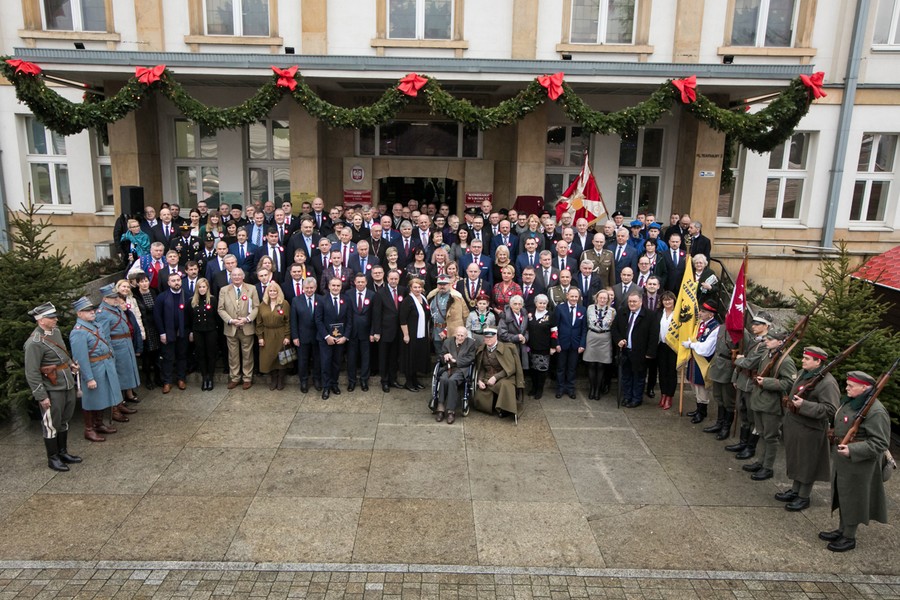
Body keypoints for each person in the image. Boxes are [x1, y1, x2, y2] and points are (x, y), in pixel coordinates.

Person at [819, 370, 890, 552]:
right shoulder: (853, 402)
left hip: (859, 464)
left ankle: (849, 537)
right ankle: (842, 529)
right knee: (843, 495)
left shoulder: (875, 411)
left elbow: (880, 443)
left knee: (854, 498)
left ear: (864, 387)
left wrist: (852, 449)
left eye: (851, 385)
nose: (846, 387)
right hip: (844, 461)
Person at [776, 346, 840, 512]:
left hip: (810, 429)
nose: (802, 360)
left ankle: (804, 496)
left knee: (807, 463)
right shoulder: (805, 373)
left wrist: (805, 405)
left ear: (818, 361)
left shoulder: (827, 383)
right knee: (797, 459)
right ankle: (795, 490)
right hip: (796, 425)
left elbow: (831, 409)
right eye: (803, 357)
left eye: (807, 359)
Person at [24, 302, 80, 471]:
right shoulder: (34, 343)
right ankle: (53, 458)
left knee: (64, 419)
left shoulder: (55, 332)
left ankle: (63, 452)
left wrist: (70, 364)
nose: (55, 319)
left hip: (67, 383)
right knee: (51, 423)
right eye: (51, 317)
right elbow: (32, 372)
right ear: (41, 320)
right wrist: (41, 396)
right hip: (52, 388)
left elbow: (62, 353)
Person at [740, 328, 797, 481]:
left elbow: (790, 383)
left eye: (770, 339)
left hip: (772, 404)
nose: (766, 340)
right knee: (762, 433)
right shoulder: (768, 354)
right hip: (760, 400)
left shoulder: (785, 360)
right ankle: (761, 461)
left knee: (771, 436)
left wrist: (766, 382)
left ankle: (768, 467)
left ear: (780, 342)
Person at [69, 296, 120, 442]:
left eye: (92, 309)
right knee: (90, 400)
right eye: (87, 311)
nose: (92, 312)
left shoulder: (94, 325)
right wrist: (89, 378)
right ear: (79, 314)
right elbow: (80, 358)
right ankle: (89, 429)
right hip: (93, 368)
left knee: (101, 397)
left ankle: (99, 423)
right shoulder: (78, 331)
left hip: (104, 365)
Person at [728, 311, 773, 459]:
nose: (753, 326)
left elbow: (749, 362)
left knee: (752, 417)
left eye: (757, 324)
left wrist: (738, 359)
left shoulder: (765, 344)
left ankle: (750, 447)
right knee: (743, 413)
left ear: (766, 326)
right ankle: (743, 442)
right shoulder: (754, 339)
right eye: (753, 323)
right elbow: (744, 360)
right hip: (742, 380)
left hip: (751, 383)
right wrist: (735, 377)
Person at [95, 283, 141, 421]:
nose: (116, 299)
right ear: (104, 299)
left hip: (125, 345)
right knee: (115, 379)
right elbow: (104, 336)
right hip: (116, 347)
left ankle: (120, 403)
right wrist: (110, 353)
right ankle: (114, 409)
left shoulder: (115, 309)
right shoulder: (103, 313)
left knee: (124, 376)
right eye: (112, 297)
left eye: (116, 296)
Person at [612, 291, 657, 408]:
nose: (632, 304)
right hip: (625, 351)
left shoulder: (650, 315)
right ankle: (627, 396)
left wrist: (650, 353)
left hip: (641, 353)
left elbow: (653, 335)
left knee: (638, 377)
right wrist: (619, 340)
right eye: (630, 301)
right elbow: (614, 329)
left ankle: (636, 398)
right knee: (626, 376)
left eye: (634, 301)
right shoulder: (622, 312)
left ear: (641, 302)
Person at [218, 267, 259, 389]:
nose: (236, 277)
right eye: (234, 275)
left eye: (239, 275)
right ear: (231, 276)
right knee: (233, 354)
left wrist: (247, 319)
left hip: (246, 327)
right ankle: (235, 377)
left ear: (243, 276)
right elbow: (220, 309)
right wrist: (231, 320)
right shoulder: (224, 290)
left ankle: (247, 378)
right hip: (231, 328)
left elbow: (256, 307)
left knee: (247, 354)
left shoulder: (251, 289)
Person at [682, 300, 720, 424]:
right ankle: (698, 408)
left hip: (704, 362)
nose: (700, 313)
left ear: (711, 314)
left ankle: (702, 412)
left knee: (701, 388)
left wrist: (691, 345)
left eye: (703, 311)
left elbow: (706, 349)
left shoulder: (715, 328)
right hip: (695, 360)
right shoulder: (700, 324)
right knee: (694, 385)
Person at [473, 327, 524, 419]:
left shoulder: (506, 348)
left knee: (505, 385)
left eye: (490, 337)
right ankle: (496, 404)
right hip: (487, 377)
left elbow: (511, 368)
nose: (488, 339)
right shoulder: (481, 349)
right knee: (481, 401)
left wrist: (496, 377)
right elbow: (481, 368)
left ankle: (505, 408)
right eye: (486, 337)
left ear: (496, 336)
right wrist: (479, 380)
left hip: (505, 377)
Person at [153, 272, 189, 393]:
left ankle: (181, 379)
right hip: (167, 333)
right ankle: (167, 381)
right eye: (173, 281)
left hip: (183, 332)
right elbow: (157, 316)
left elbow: (191, 315)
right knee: (168, 357)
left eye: (178, 280)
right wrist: (162, 333)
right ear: (168, 283)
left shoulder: (187, 296)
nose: (176, 282)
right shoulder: (162, 297)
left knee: (182, 356)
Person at [373, 270, 406, 392]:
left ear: (398, 279)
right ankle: (385, 381)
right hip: (385, 331)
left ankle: (393, 379)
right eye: (391, 279)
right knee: (384, 357)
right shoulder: (380, 293)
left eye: (396, 279)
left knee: (394, 357)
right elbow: (376, 315)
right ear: (387, 279)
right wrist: (376, 332)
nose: (393, 281)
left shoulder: (403, 290)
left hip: (399, 331)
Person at [436, 326, 477, 424]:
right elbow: (441, 356)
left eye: (462, 335)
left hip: (461, 369)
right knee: (443, 379)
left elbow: (471, 359)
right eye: (458, 335)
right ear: (455, 334)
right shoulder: (448, 342)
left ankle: (451, 411)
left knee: (452, 380)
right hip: (448, 367)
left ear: (466, 336)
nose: (459, 337)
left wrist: (456, 361)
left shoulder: (471, 343)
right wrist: (445, 356)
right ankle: (440, 408)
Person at [257, 281, 291, 390]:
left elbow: (287, 321)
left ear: (278, 292)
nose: (272, 293)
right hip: (267, 334)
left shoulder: (284, 303)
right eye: (270, 291)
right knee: (269, 357)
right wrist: (260, 337)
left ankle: (281, 380)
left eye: (274, 291)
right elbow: (259, 323)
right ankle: (274, 379)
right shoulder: (262, 305)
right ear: (267, 292)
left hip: (280, 333)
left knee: (281, 357)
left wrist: (287, 336)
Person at [345, 273, 376, 392]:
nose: (360, 284)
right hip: (351, 332)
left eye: (362, 282)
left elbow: (374, 316)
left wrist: (373, 332)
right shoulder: (348, 294)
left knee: (366, 357)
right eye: (358, 282)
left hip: (366, 332)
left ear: (366, 282)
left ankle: (364, 380)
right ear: (354, 282)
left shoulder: (372, 295)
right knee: (351, 358)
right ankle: (351, 381)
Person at [399, 277, 431, 391]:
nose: (417, 289)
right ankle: (409, 382)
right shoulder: (407, 301)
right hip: (411, 334)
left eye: (419, 287)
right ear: (410, 288)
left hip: (421, 334)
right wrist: (406, 335)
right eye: (415, 287)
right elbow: (402, 319)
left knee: (417, 358)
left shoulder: (423, 298)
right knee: (410, 358)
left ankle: (415, 380)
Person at [554, 288, 587, 399]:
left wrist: (582, 344)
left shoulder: (583, 310)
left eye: (576, 297)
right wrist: (556, 343)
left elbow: (584, 329)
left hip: (575, 344)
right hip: (562, 343)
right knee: (561, 367)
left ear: (579, 298)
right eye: (572, 296)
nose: (573, 299)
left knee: (572, 368)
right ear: (567, 296)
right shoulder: (560, 308)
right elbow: (555, 328)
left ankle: (570, 389)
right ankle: (560, 388)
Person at [290, 277, 322, 393]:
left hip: (318, 336)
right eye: (307, 288)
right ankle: (303, 381)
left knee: (318, 360)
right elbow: (293, 320)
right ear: (303, 288)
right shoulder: (296, 300)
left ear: (315, 288)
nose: (309, 290)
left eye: (311, 288)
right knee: (303, 361)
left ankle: (317, 379)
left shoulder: (321, 299)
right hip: (302, 337)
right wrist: (295, 336)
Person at [584, 288, 616, 400]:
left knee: (601, 365)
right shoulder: (590, 308)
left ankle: (597, 390)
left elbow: (612, 325)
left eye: (605, 298)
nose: (602, 300)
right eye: (600, 297)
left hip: (605, 337)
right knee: (591, 364)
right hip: (592, 336)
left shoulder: (612, 311)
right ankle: (592, 389)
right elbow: (587, 322)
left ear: (608, 300)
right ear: (597, 298)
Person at [188, 278, 218, 391]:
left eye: (204, 287)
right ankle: (204, 377)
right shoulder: (192, 301)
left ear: (207, 288)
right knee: (201, 354)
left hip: (211, 331)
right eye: (199, 287)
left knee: (211, 354)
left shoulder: (213, 300)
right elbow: (189, 318)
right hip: (198, 331)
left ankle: (210, 377)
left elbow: (216, 317)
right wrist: (191, 331)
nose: (202, 289)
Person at [525, 294, 554, 399]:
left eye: (544, 303)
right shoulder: (530, 314)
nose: (542, 305)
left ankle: (539, 389)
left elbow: (554, 332)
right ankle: (533, 388)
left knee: (541, 370)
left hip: (544, 347)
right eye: (540, 303)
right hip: (531, 346)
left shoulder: (550, 315)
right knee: (533, 369)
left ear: (547, 304)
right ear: (536, 303)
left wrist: (553, 346)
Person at [655, 291, 678, 410]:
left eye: (669, 300)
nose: (667, 302)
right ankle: (663, 394)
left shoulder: (678, 314)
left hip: (673, 347)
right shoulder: (659, 313)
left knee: (671, 373)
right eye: (665, 300)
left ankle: (669, 396)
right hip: (661, 346)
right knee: (662, 371)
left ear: (674, 300)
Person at [498, 294, 529, 371]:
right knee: (511, 369)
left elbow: (527, 330)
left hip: (522, 347)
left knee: (521, 370)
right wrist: (516, 337)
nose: (517, 306)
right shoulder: (505, 316)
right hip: (509, 347)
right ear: (511, 305)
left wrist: (525, 338)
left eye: (519, 304)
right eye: (515, 304)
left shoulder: (524, 315)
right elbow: (502, 334)